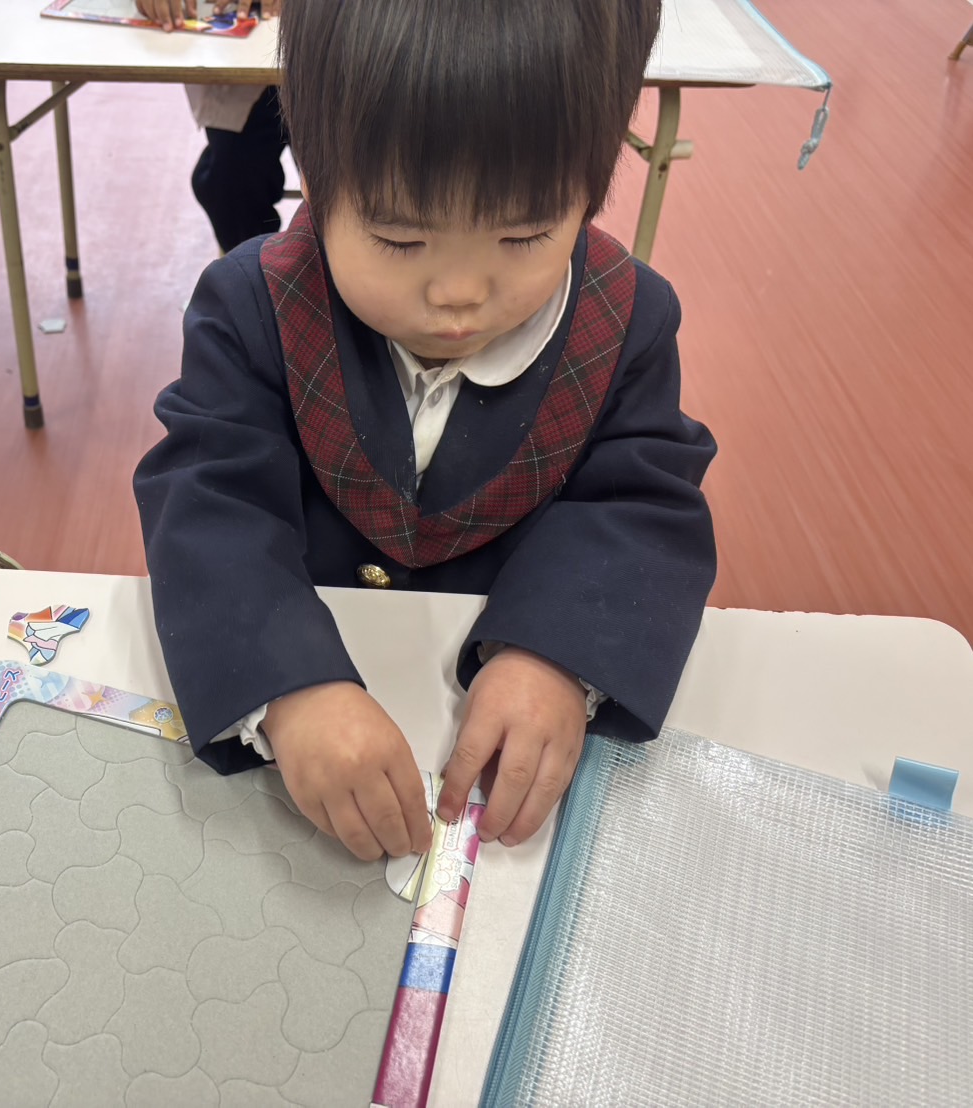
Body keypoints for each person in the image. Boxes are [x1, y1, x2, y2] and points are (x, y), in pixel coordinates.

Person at [134, 0, 716, 863]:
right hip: (313, 706)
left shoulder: (624, 320)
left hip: (489, 736)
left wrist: (557, 657)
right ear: (315, 181)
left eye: (524, 234)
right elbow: (208, 499)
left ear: (587, 197)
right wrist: (287, 687)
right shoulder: (252, 304)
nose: (459, 294)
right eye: (400, 239)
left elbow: (638, 503)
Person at [135, 0, 287, 253]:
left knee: (343, 180)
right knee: (228, 182)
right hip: (247, 58)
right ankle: (252, 267)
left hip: (340, 43)